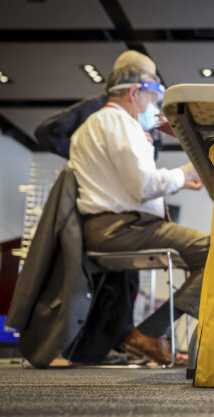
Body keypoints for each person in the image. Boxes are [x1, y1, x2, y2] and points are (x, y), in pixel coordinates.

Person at [67, 65, 210, 365]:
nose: (154, 108)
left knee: (211, 253)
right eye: (153, 99)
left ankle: (149, 334)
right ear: (135, 92)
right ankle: (148, 333)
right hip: (122, 227)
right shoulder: (118, 122)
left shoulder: (95, 125)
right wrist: (185, 173)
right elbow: (144, 186)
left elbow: (128, 187)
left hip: (113, 225)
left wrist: (178, 182)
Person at [34, 50, 161, 365]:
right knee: (109, 279)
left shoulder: (140, 114)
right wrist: (90, 164)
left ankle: (109, 344)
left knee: (124, 281)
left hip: (129, 206)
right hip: (103, 209)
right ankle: (92, 346)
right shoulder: (99, 109)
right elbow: (47, 131)